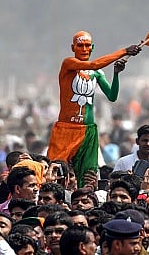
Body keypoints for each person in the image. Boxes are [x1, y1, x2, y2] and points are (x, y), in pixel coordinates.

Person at [47, 31, 141, 186]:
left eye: (87, 46)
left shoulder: (97, 73)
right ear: (73, 47)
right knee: (56, 173)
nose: (84, 49)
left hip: (88, 131)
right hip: (66, 130)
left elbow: (112, 96)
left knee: (88, 176)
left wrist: (116, 74)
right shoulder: (68, 64)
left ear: (92, 48)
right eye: (80, 45)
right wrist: (124, 51)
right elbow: (93, 64)